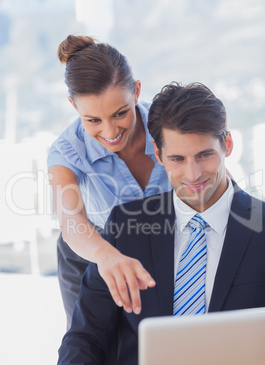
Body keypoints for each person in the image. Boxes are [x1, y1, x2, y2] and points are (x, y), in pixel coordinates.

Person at [57, 82, 265, 365]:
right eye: (177, 159)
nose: (193, 174)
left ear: (227, 144)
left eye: (205, 155)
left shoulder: (264, 228)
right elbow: (82, 343)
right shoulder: (126, 226)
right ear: (158, 154)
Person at [48, 35, 172, 328]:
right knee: (95, 357)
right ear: (73, 106)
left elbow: (217, 180)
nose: (110, 131)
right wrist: (105, 254)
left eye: (120, 113)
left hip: (167, 248)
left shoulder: (170, 124)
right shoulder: (66, 151)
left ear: (137, 92)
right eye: (93, 120)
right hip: (93, 256)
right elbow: (71, 221)